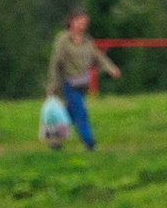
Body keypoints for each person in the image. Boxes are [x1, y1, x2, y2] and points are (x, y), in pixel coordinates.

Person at [44, 10, 121, 153]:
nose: (83, 24)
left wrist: (111, 68)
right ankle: (90, 142)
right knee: (81, 112)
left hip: (82, 84)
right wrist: (52, 85)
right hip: (69, 83)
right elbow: (56, 62)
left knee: (69, 114)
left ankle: (55, 141)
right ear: (72, 22)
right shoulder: (63, 40)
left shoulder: (87, 41)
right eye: (80, 21)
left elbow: (97, 57)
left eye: (85, 21)